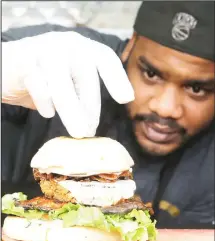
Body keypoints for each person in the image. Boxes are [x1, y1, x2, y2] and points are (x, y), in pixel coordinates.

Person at [2, 1, 214, 229]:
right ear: (130, 44)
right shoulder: (63, 57)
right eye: (151, 74)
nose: (165, 108)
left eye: (197, 89)